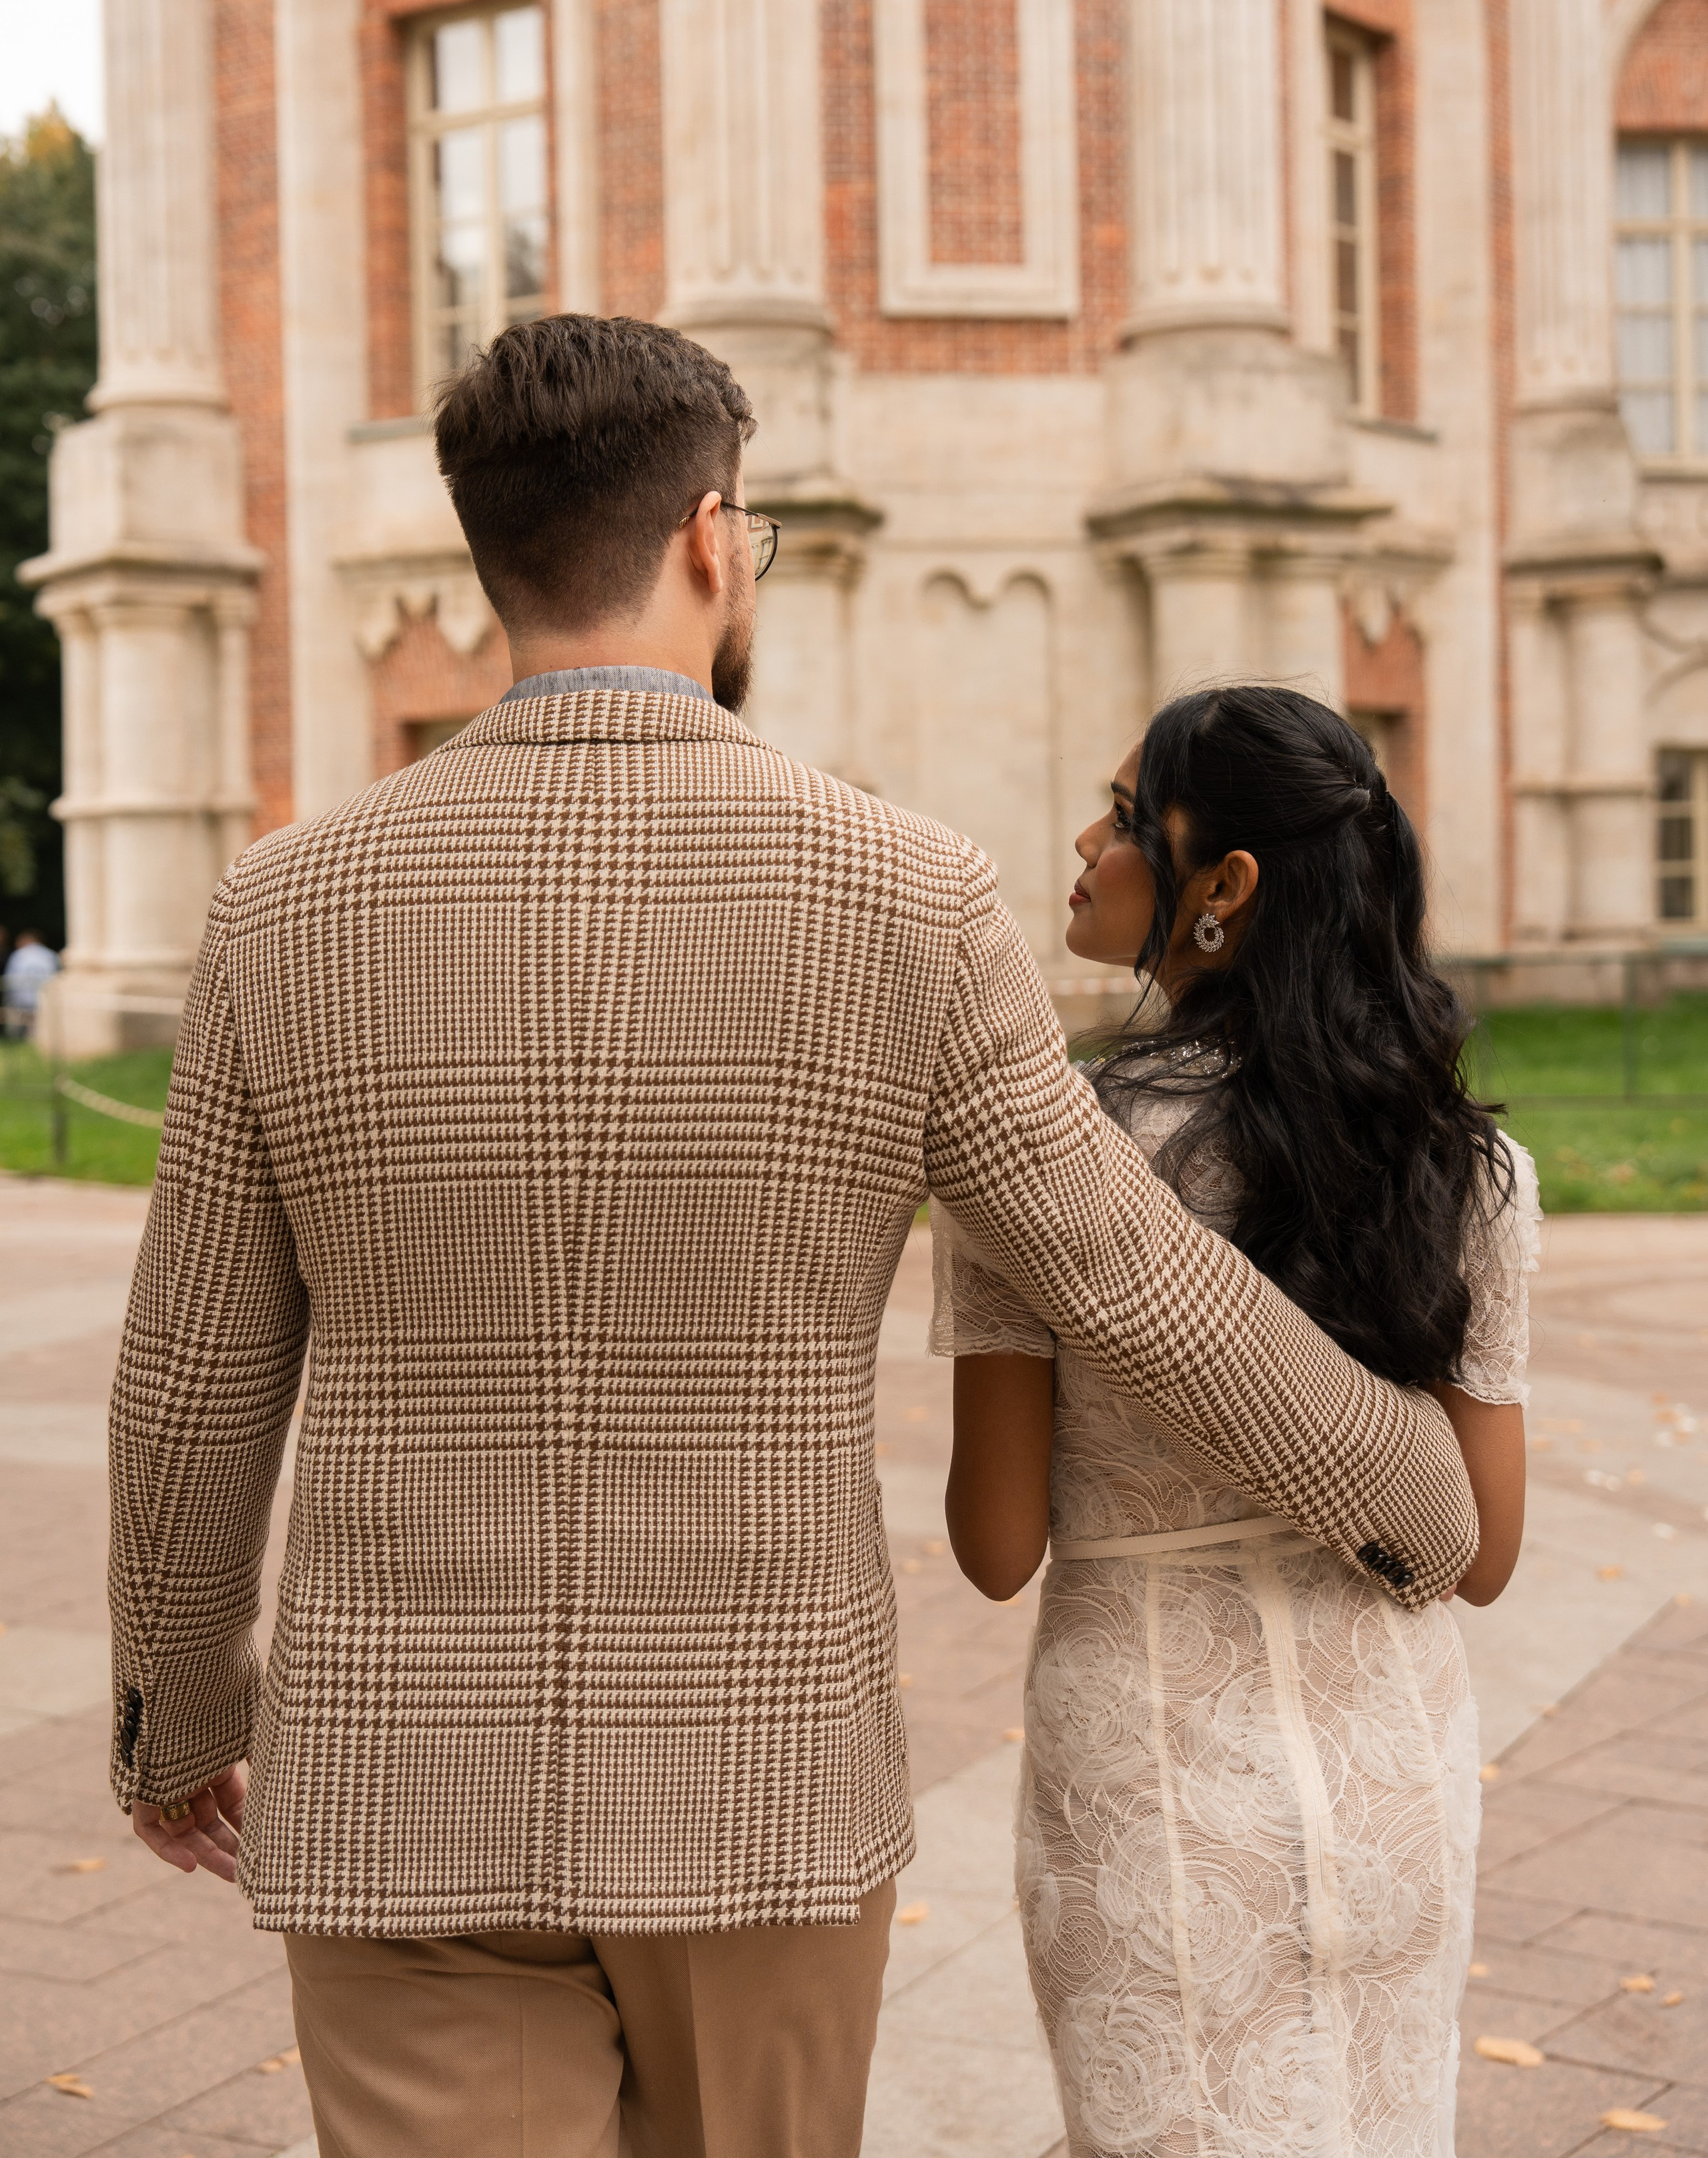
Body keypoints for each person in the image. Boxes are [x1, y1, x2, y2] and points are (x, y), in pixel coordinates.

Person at [107, 319, 1480, 2158]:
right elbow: (1123, 1274)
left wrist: (177, 1718)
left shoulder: (284, 906)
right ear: (708, 533)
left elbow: (192, 1374)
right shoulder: (903, 892)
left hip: (398, 1794)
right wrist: (1414, 1488)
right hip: (759, 1793)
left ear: (491, 548)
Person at [935, 685, 1534, 2157]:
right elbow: (1483, 1550)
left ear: (1226, 886)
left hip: (1147, 1776)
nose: (1085, 840)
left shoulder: (1052, 1159)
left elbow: (996, 1544)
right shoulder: (1466, 1167)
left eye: (1126, 818)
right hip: (1393, 1764)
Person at [3, 929, 59, 1038]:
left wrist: (9, 998)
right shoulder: (50, 955)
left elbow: (11, 979)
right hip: (44, 997)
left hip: (21, 998)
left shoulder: (19, 955)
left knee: (19, 1030)